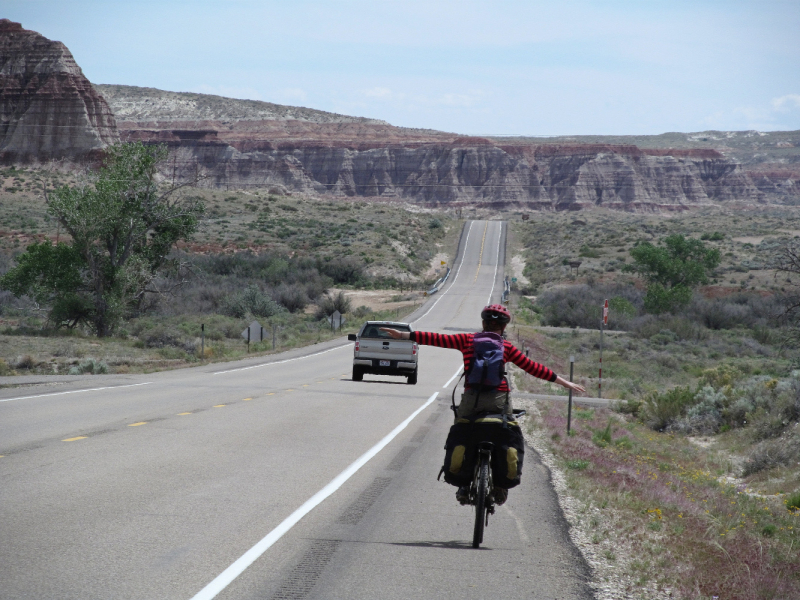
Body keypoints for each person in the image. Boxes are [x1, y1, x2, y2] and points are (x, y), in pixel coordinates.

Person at [380, 304, 585, 505]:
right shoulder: (507, 348)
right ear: (504, 327)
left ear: (483, 323)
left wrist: (403, 336)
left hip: (472, 399)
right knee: (506, 432)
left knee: (464, 430)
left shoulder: (466, 340)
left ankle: (463, 483)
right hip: (499, 399)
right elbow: (533, 368)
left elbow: (437, 339)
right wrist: (563, 382)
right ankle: (500, 485)